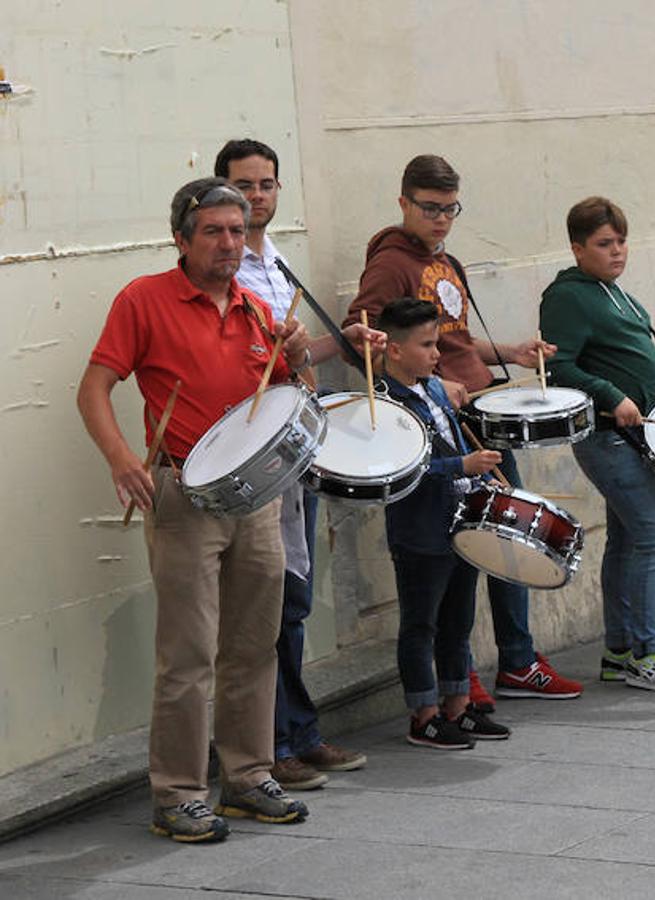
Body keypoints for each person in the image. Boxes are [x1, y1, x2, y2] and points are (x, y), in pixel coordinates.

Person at [76, 178, 318, 842]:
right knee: (186, 654)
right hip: (182, 493)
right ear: (181, 239)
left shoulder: (254, 307)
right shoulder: (145, 299)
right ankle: (178, 793)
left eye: (237, 231)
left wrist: (297, 358)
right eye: (213, 231)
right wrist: (123, 459)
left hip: (256, 496)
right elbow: (93, 387)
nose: (229, 244)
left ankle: (246, 776)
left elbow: (291, 396)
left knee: (253, 644)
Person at [345, 154, 582, 707]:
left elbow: (454, 339)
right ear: (403, 202)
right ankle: (466, 674)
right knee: (467, 552)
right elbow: (363, 335)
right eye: (429, 208)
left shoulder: (446, 260)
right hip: (448, 424)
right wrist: (425, 389)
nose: (441, 220)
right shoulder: (389, 264)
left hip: (480, 413)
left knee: (509, 537)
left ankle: (515, 661)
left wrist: (509, 353)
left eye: (450, 209)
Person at [215, 138, 372, 790]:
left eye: (267, 184)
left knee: (294, 602)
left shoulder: (274, 262)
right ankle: (268, 744)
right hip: (253, 457)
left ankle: (297, 734)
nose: (257, 196)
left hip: (292, 450)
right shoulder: (225, 273)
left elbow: (292, 359)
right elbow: (247, 365)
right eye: (245, 185)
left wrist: (344, 344)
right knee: (266, 608)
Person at [540, 197, 655, 691]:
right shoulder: (569, 296)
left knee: (629, 541)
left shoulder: (616, 294)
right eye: (604, 243)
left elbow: (631, 362)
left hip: (637, 436)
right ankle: (649, 652)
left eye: (621, 241)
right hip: (608, 437)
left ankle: (618, 650)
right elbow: (559, 365)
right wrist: (612, 396)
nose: (617, 252)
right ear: (577, 248)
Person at [377, 298, 512, 747]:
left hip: (459, 522)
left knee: (458, 621)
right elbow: (399, 469)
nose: (437, 354)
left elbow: (453, 444)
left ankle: (458, 706)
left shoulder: (434, 389)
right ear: (394, 350)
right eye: (427, 345)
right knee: (421, 624)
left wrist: (482, 481)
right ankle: (424, 713)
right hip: (419, 529)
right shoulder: (384, 404)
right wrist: (462, 466)